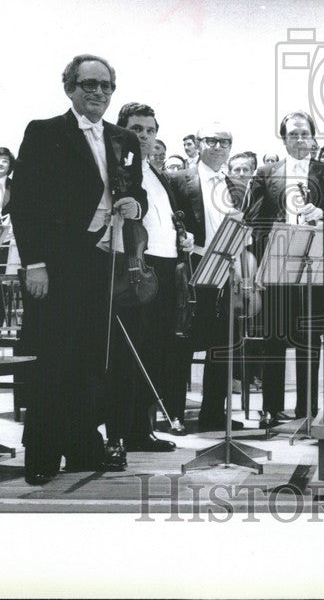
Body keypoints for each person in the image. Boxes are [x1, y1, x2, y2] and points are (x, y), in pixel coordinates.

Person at [11, 54, 147, 485]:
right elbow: (24, 202)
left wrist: (135, 203)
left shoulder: (124, 138)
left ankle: (82, 445)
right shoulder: (45, 131)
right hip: (55, 265)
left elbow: (135, 187)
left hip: (102, 263)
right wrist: (35, 263)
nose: (99, 93)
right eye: (89, 84)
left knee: (92, 360)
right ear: (69, 86)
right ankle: (43, 453)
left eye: (106, 86)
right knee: (54, 358)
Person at [243, 111, 324, 427]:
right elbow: (253, 221)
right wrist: (263, 254)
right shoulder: (266, 173)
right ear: (283, 138)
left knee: (311, 336)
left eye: (304, 134)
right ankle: (271, 408)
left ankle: (308, 406)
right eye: (293, 134)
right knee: (274, 337)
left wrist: (323, 213)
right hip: (277, 263)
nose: (299, 139)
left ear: (313, 138)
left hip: (315, 265)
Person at [102, 102, 183, 464]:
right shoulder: (120, 168)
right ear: (123, 131)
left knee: (153, 353)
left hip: (163, 268)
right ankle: (119, 431)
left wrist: (184, 237)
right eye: (137, 129)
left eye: (150, 130)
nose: (144, 136)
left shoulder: (156, 171)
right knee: (127, 356)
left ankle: (142, 429)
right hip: (137, 267)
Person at [169, 122, 249, 432]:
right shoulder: (178, 179)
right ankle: (175, 412)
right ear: (199, 144)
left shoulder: (236, 186)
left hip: (226, 269)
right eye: (211, 140)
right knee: (183, 343)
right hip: (192, 267)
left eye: (224, 141)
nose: (218, 146)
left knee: (223, 345)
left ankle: (213, 413)